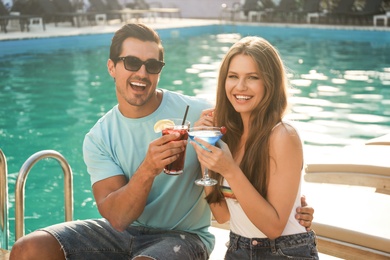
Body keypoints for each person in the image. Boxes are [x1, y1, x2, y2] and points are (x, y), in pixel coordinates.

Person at [10, 23, 314, 260]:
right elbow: (117, 217)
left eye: (152, 65)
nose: (141, 73)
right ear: (111, 67)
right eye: (131, 62)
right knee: (28, 250)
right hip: (129, 233)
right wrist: (148, 168)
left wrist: (296, 210)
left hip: (185, 237)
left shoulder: (206, 116)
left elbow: (264, 148)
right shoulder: (99, 137)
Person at [191, 36, 319, 259]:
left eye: (252, 77)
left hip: (283, 251)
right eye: (233, 76)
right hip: (238, 247)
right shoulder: (229, 136)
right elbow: (221, 214)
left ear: (269, 83)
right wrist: (205, 154)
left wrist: (230, 169)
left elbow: (273, 228)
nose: (240, 87)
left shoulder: (282, 135)